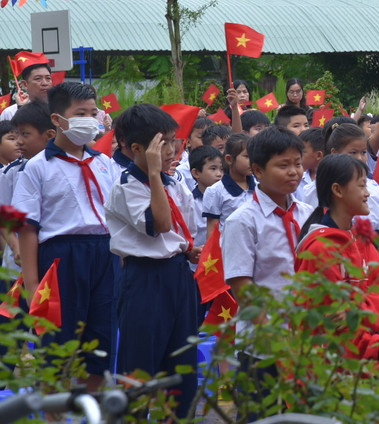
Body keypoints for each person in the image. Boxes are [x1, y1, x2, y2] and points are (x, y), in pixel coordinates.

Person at [13, 82, 117, 390]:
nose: (89, 119)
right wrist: (32, 284)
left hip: (103, 254)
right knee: (57, 345)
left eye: (93, 112)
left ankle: (91, 407)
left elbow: (115, 217)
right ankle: (52, 413)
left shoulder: (104, 163)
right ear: (57, 120)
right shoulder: (37, 168)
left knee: (99, 343)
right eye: (80, 113)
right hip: (60, 259)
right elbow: (28, 228)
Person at [104, 104, 200, 419]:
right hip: (144, 278)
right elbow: (159, 223)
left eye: (175, 141)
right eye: (164, 144)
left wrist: (186, 248)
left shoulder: (173, 183)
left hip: (176, 275)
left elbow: (177, 232)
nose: (172, 150)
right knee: (139, 364)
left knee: (182, 362)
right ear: (136, 149)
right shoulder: (127, 185)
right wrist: (156, 173)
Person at [221, 127, 313, 383]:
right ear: (258, 170)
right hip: (264, 344)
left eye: (297, 163)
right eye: (283, 165)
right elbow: (241, 284)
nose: (294, 171)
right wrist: (275, 335)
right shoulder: (243, 220)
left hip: (306, 338)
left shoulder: (307, 214)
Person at [297, 154, 379, 362]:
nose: (367, 194)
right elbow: (334, 325)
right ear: (338, 190)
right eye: (361, 186)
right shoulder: (320, 250)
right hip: (328, 371)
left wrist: (356, 310)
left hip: (362, 365)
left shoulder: (361, 241)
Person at [1, 103, 56, 274]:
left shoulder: (62, 166)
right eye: (16, 135)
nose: (19, 141)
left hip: (51, 257)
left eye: (25, 134)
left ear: (49, 135)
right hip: (17, 263)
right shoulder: (11, 172)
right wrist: (16, 247)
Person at [324, 123, 379, 249]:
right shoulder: (327, 187)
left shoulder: (373, 184)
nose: (360, 158)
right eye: (353, 152)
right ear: (334, 153)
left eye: (364, 152)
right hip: (345, 244)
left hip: (375, 243)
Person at [202, 133, 254, 231]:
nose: (253, 160)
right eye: (247, 156)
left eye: (254, 155)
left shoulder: (260, 187)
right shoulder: (215, 191)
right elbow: (212, 230)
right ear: (229, 159)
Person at [0, 53, 53, 121]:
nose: (45, 83)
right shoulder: (10, 113)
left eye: (48, 78)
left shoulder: (60, 108)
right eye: (38, 79)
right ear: (25, 84)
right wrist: (21, 108)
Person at [298, 127, 325, 207]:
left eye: (302, 152)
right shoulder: (297, 178)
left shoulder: (329, 179)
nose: (297, 156)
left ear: (318, 155)